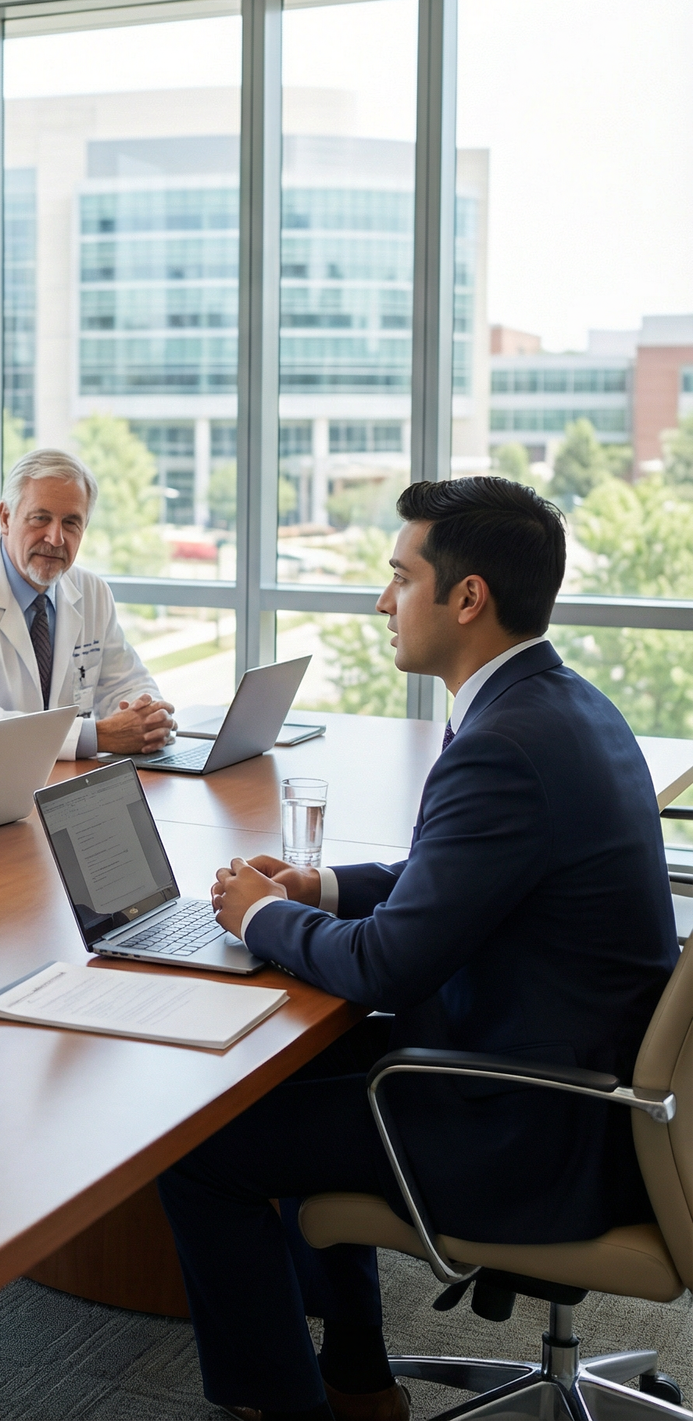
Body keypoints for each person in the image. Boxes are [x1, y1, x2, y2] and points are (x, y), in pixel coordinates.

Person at [158, 476, 677, 1421]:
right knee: (287, 1076)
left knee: (197, 1149)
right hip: (578, 1085)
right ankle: (358, 1382)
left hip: (529, 1128)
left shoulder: (503, 744)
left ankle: (285, 1409)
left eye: (400, 577)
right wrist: (316, 887)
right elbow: (455, 876)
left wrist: (257, 918)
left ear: (467, 597)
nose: (382, 601)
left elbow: (386, 966)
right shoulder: (563, 703)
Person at [0, 447, 175, 763]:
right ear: (5, 517)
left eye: (71, 523)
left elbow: (127, 683)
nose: (56, 538)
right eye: (40, 518)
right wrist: (100, 736)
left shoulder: (91, 591)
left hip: (55, 778)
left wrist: (149, 717)